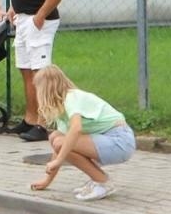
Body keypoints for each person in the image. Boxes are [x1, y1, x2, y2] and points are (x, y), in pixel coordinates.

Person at [29, 65, 134, 201]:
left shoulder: (72, 98)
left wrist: (60, 160)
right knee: (56, 137)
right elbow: (58, 146)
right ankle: (98, 179)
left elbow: (76, 129)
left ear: (46, 89)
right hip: (109, 140)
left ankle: (103, 182)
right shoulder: (62, 108)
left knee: (61, 142)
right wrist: (47, 181)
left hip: (120, 141)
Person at [5, 0, 67, 142]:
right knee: (25, 69)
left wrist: (40, 15)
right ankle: (30, 119)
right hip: (21, 19)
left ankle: (44, 123)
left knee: (40, 73)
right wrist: (14, 8)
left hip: (38, 22)